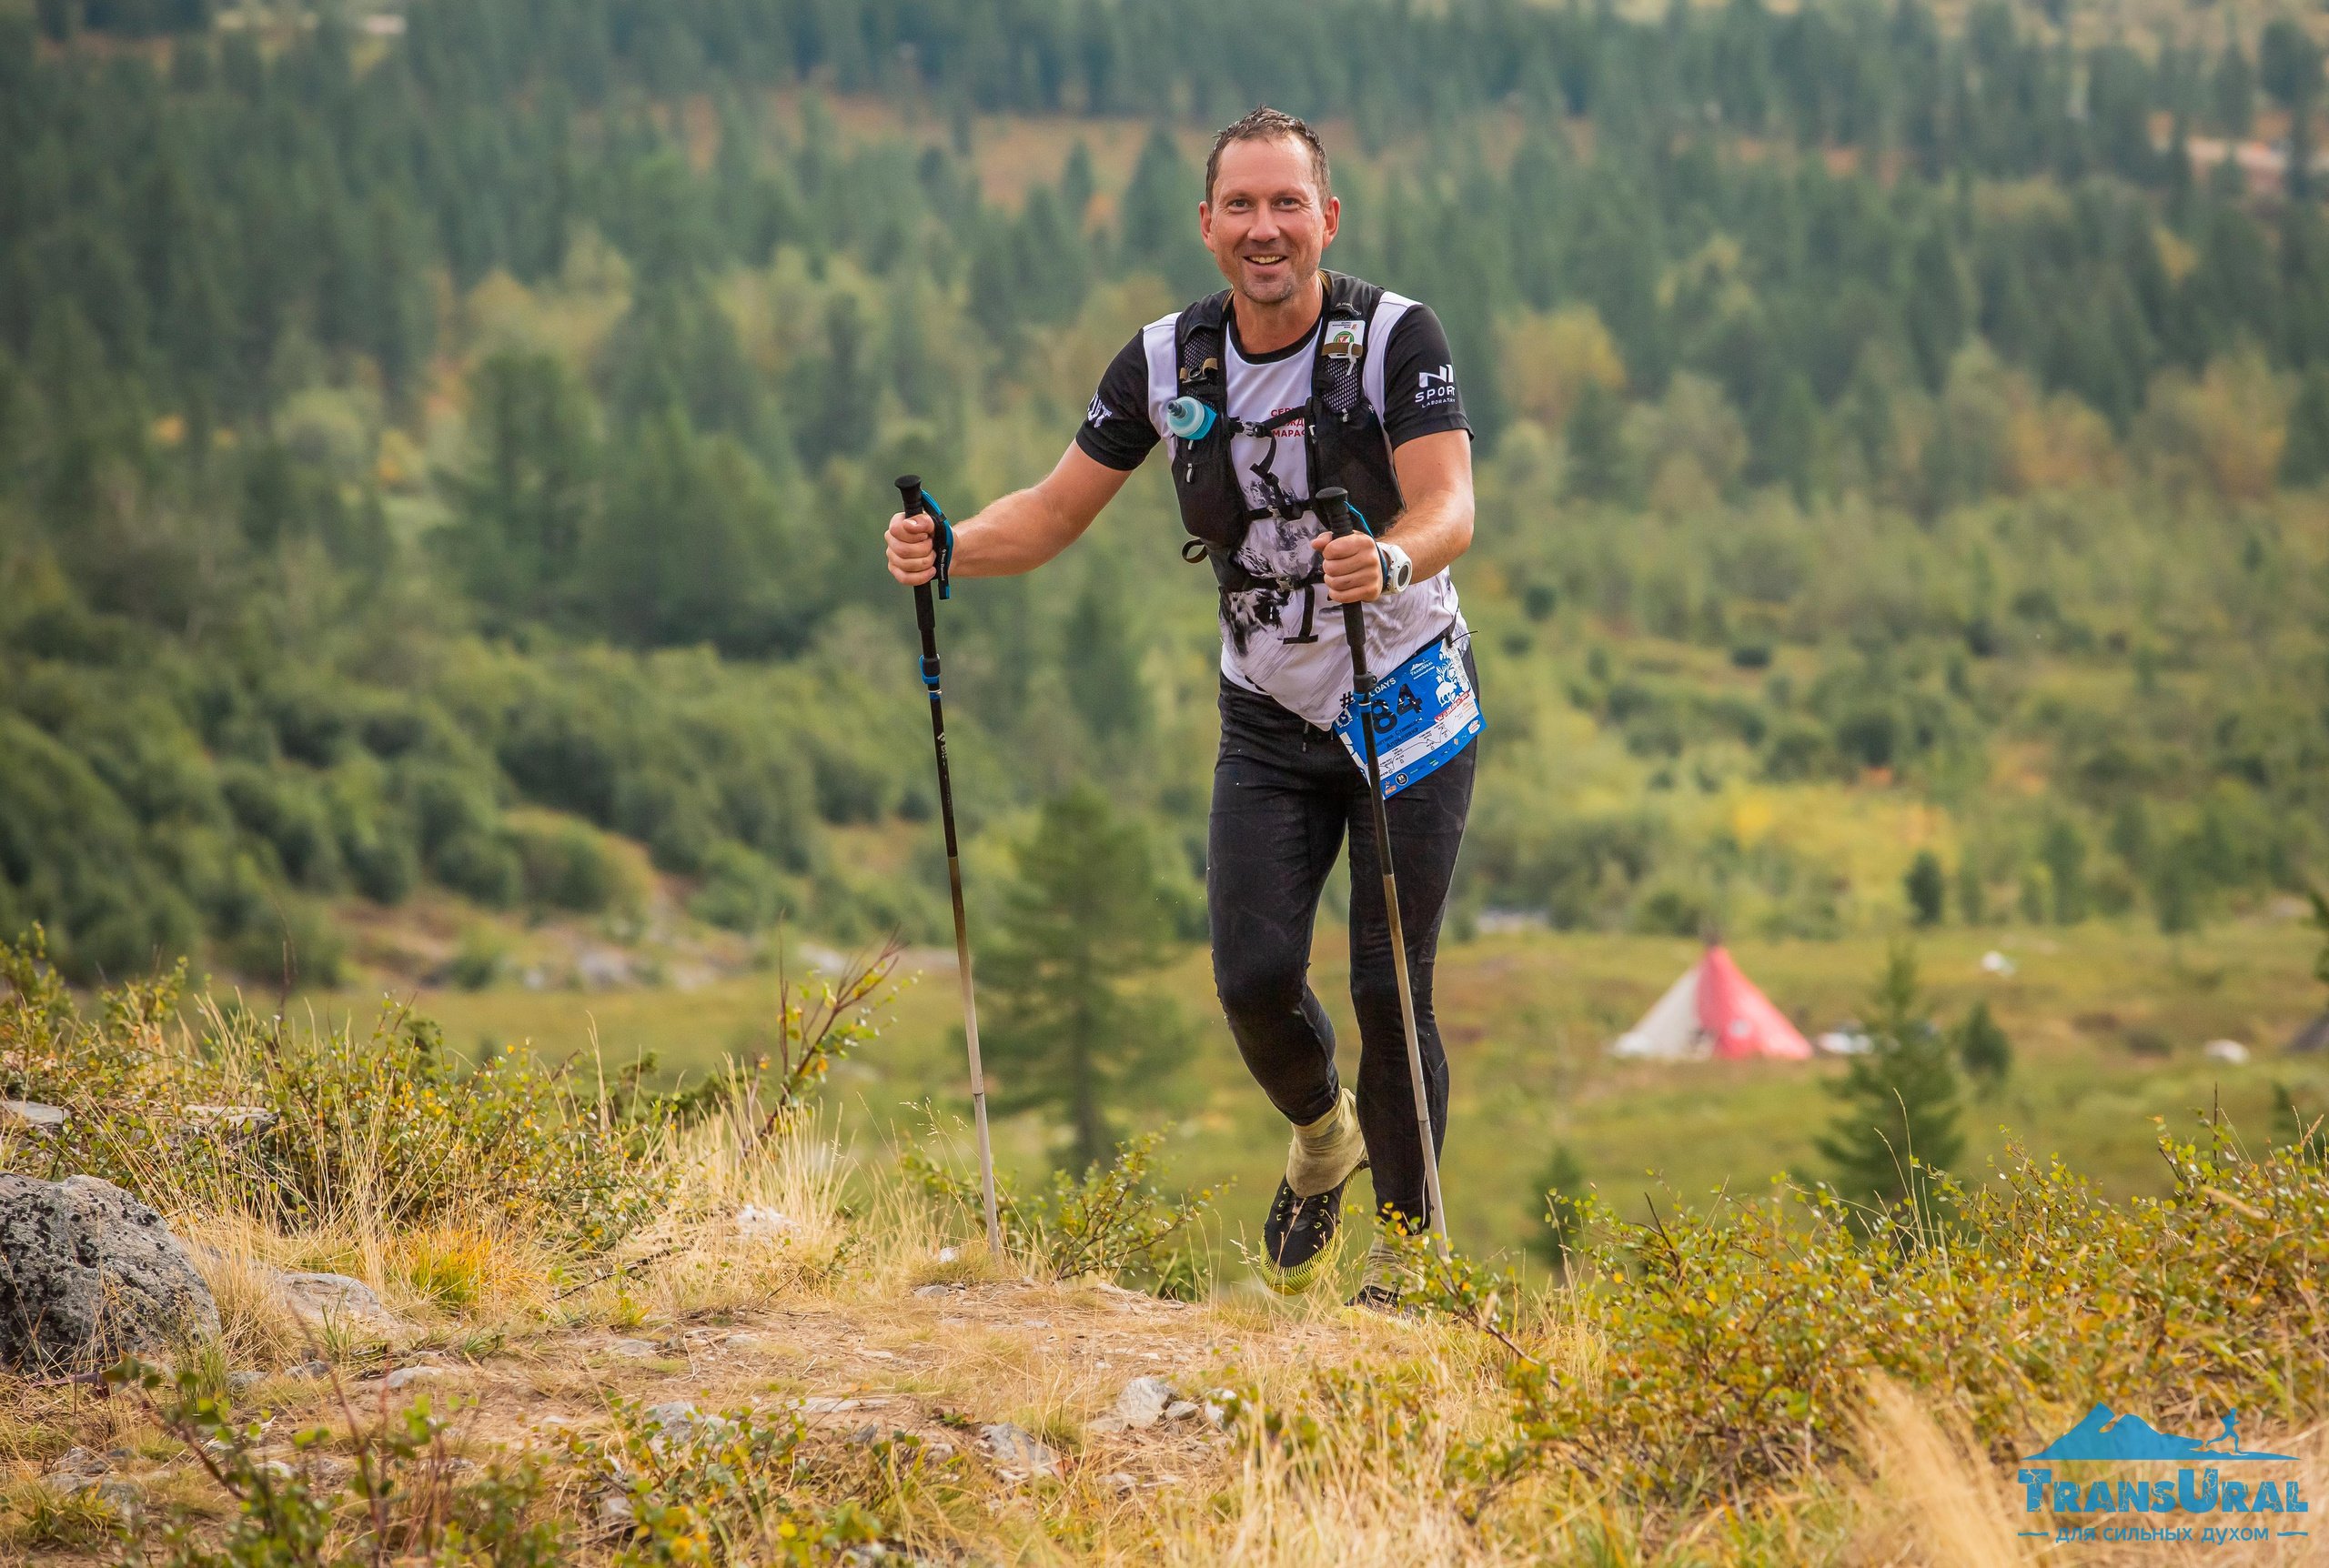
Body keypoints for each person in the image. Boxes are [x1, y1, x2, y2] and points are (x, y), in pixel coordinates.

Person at [884, 106, 1478, 1311]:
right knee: (1253, 978)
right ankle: (1323, 1137)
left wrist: (1396, 561)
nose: (1267, 230)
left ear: (1328, 219)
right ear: (1208, 224)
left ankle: (1411, 1271)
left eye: (1288, 205)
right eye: (1242, 207)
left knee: (1385, 990)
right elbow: (1052, 514)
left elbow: (1449, 501)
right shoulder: (1165, 363)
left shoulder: (1393, 340)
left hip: (1404, 705)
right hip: (1265, 708)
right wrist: (948, 549)